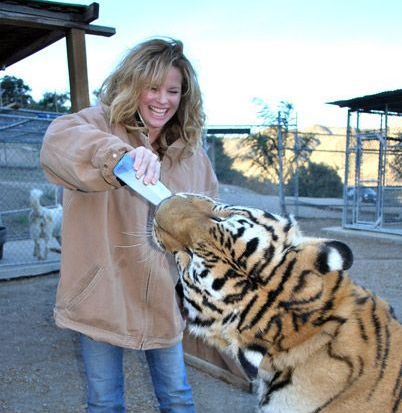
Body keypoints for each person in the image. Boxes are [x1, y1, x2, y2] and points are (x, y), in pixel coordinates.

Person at [40, 37, 219, 413]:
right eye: (153, 87)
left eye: (173, 90)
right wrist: (119, 159)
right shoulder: (95, 123)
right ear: (133, 84)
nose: (162, 99)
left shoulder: (191, 154)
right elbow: (58, 145)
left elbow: (207, 227)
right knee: (105, 403)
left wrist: (196, 290)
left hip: (162, 299)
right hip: (101, 293)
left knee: (178, 397)